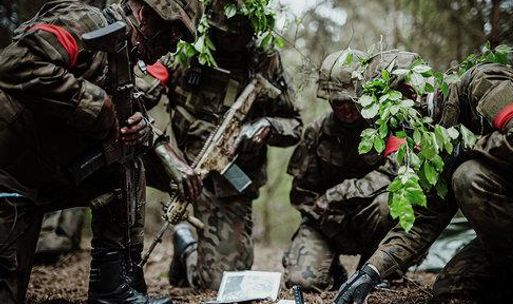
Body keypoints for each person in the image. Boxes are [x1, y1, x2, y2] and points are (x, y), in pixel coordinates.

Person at [0, 0, 201, 303]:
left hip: (40, 181)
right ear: (145, 15)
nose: (172, 47)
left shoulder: (124, 62)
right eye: (170, 33)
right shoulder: (87, 23)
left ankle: (113, 288)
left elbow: (126, 118)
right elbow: (14, 64)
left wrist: (142, 131)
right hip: (8, 183)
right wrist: (100, 107)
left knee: (127, 162)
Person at [333, 50, 513, 304]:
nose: (394, 131)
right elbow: (425, 217)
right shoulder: (439, 133)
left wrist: (466, 149)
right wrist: (371, 272)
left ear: (409, 93)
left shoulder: (484, 81)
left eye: (390, 118)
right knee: (451, 289)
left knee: (468, 176)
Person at [156, 0, 303, 290]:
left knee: (222, 285)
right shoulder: (187, 49)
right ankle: (187, 239)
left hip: (232, 183)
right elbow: (147, 86)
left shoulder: (265, 58)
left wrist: (266, 127)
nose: (230, 40)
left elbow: (295, 124)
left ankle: (187, 247)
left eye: (239, 33)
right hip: (183, 173)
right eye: (223, 32)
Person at [282, 50, 399, 292]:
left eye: (351, 100)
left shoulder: (388, 127)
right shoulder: (316, 133)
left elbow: (395, 175)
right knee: (302, 282)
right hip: (327, 224)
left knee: (388, 204)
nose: (346, 108)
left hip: (369, 221)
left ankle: (374, 269)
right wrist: (327, 216)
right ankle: (333, 268)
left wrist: (337, 195)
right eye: (338, 102)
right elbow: (301, 195)